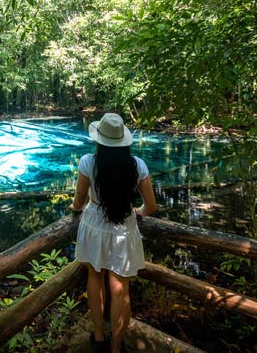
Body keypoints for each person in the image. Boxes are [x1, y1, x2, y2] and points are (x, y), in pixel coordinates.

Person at [69, 112, 157, 353]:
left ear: (100, 140)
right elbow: (150, 207)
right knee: (120, 286)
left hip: (94, 224)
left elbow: (79, 197)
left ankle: (98, 338)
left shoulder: (88, 162)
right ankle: (116, 348)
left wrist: (75, 208)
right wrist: (138, 211)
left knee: (95, 278)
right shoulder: (137, 165)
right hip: (124, 227)